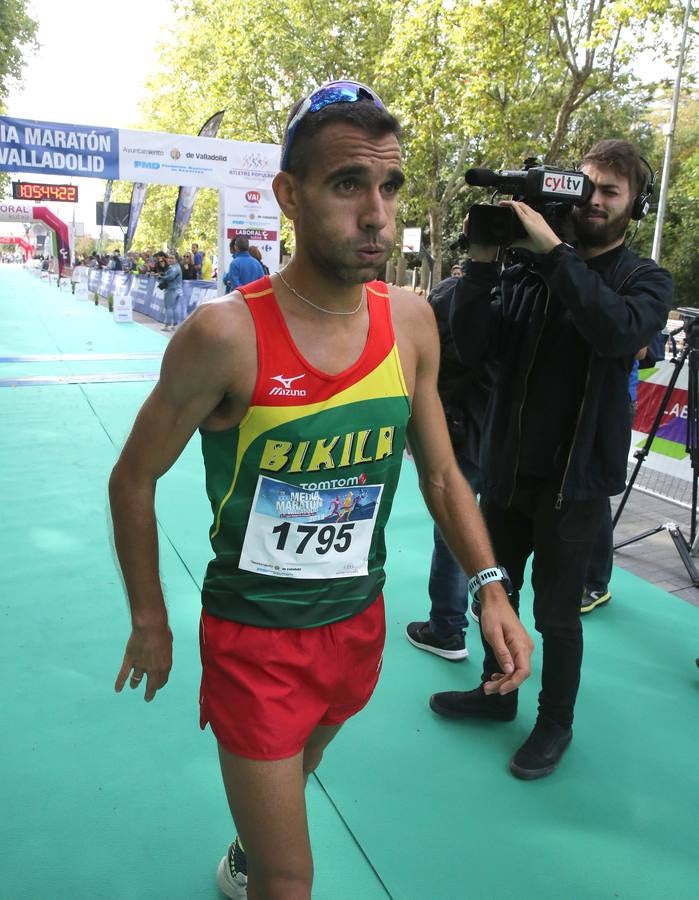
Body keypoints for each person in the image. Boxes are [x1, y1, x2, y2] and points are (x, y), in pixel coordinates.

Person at [109, 80, 533, 900]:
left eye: (389, 186)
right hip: (255, 638)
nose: (376, 213)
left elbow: (441, 473)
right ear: (289, 195)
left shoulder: (409, 321)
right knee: (288, 878)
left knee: (303, 759)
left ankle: (256, 831)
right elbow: (133, 476)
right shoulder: (225, 334)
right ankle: (261, 857)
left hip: (355, 624)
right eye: (347, 184)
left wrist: (490, 588)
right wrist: (149, 617)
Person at [431, 139, 673, 780]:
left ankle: (555, 722)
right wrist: (481, 266)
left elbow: (618, 331)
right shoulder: (527, 272)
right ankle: (496, 694)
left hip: (576, 483)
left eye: (611, 191)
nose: (594, 201)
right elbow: (473, 347)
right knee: (496, 591)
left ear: (634, 206)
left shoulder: (644, 280)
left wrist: (556, 254)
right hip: (507, 471)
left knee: (557, 615)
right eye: (587, 187)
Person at [406, 272, 497, 660]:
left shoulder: (449, 298)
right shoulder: (518, 297)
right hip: (497, 438)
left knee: (454, 528)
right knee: (490, 526)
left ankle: (447, 626)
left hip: (464, 432)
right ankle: (474, 609)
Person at [157, 251, 182, 332]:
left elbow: (170, 277)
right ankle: (175, 325)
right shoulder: (175, 267)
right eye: (169, 258)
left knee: (169, 307)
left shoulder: (174, 268)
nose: (170, 259)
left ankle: (167, 326)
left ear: (176, 259)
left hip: (172, 289)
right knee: (174, 308)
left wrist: (161, 277)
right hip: (177, 289)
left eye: (172, 258)